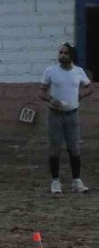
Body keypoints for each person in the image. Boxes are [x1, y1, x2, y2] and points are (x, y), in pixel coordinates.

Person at [40, 42, 93, 193]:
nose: (62, 55)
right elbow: (41, 92)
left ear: (72, 56)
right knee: (55, 148)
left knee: (74, 149)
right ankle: (55, 182)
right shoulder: (50, 71)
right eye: (60, 53)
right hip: (55, 115)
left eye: (65, 53)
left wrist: (82, 94)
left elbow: (90, 87)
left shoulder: (78, 71)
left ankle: (76, 181)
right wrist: (51, 99)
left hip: (72, 115)